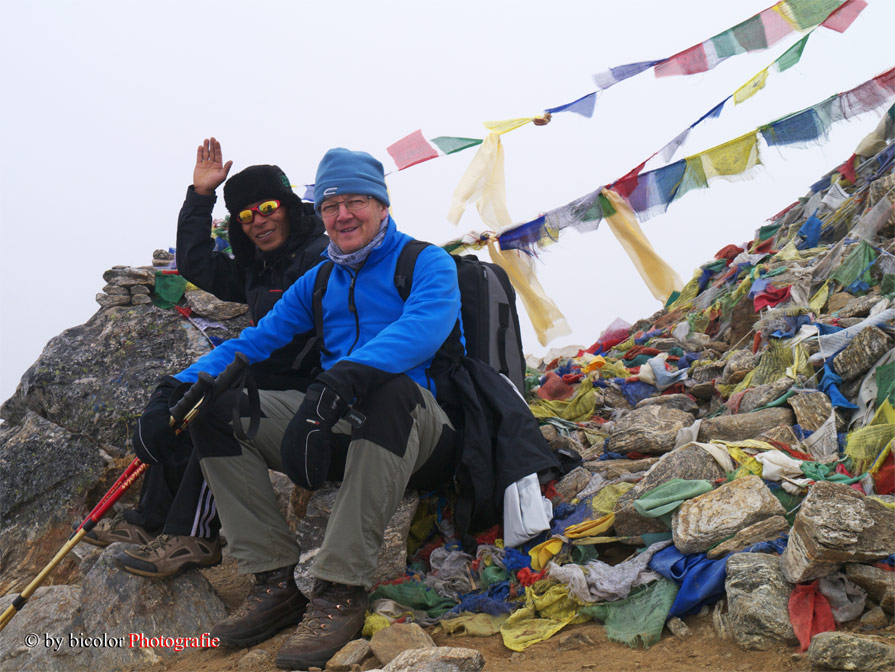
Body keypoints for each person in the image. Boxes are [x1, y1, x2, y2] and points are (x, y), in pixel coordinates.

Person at [131, 148, 463, 670]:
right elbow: (254, 342)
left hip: (422, 430)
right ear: (321, 213)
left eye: (356, 201)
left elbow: (420, 330)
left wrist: (340, 382)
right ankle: (275, 580)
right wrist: (174, 388)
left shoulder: (425, 261)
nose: (343, 215)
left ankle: (340, 589)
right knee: (218, 408)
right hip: (341, 424)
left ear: (381, 204)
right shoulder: (319, 280)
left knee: (391, 390)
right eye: (332, 205)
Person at [85, 138, 329, 581]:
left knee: (216, 409)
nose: (260, 220)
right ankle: (151, 522)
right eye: (247, 215)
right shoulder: (260, 267)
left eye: (269, 206)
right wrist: (200, 197)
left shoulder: (320, 259)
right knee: (184, 404)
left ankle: (192, 536)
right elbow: (196, 263)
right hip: (266, 378)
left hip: (310, 387)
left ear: (291, 206)